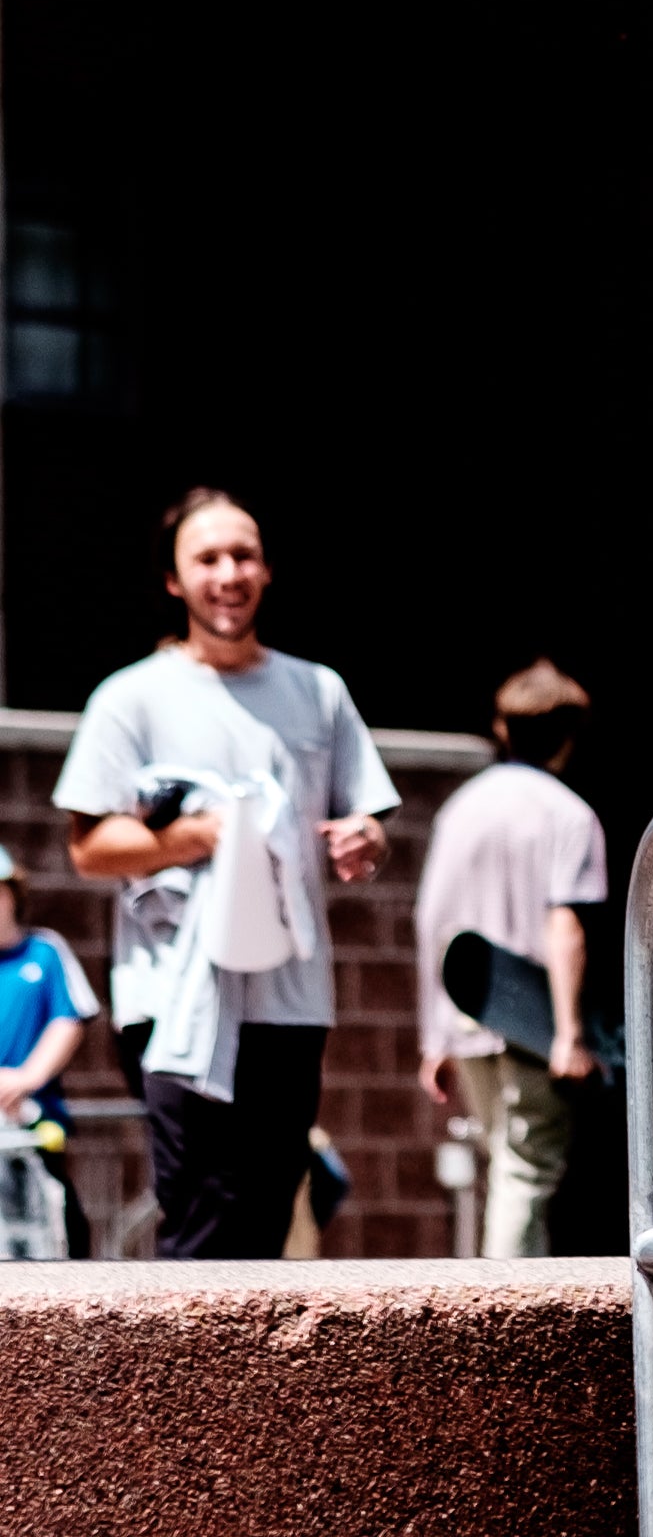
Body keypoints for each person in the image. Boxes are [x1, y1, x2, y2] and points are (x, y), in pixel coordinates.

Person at [54, 491, 397, 1260]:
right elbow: (88, 846)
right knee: (200, 1212)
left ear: (267, 569)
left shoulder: (318, 689)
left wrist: (362, 841)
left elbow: (369, 820)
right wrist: (202, 834)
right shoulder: (131, 696)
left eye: (242, 555)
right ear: (175, 580)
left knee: (270, 1206)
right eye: (206, 559)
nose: (228, 574)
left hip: (290, 994)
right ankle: (182, 1383)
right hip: (173, 998)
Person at [414, 661, 611, 1258]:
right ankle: (506, 1310)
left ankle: (501, 1298)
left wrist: (434, 1036)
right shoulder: (569, 814)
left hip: (465, 1011)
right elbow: (564, 924)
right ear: (572, 735)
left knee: (504, 1159)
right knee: (528, 1167)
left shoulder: (460, 808)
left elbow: (432, 920)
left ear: (502, 727)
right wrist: (570, 1035)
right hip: (530, 1018)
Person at [0, 844, 101, 1259]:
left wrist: (26, 1078)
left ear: (12, 892)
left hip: (33, 1131)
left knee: (53, 1242)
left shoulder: (45, 951)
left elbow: (69, 1017)